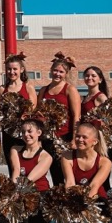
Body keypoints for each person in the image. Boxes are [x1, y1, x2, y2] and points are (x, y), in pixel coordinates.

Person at [61, 122, 112, 223]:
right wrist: (73, 208)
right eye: (78, 136)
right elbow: (69, 183)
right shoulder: (67, 157)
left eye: (84, 137)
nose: (80, 140)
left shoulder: (104, 162)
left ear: (95, 141)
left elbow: (94, 186)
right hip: (75, 199)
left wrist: (85, 210)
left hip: (95, 200)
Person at [37, 52, 81, 185]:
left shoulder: (70, 90)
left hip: (65, 138)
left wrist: (74, 138)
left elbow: (76, 116)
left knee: (67, 173)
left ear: (66, 74)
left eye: (61, 72)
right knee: (54, 173)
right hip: (48, 139)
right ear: (51, 71)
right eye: (55, 70)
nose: (57, 74)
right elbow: (38, 113)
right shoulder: (44, 90)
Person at [9, 116, 52, 223]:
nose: (26, 135)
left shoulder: (46, 156)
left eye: (29, 131)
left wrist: (18, 192)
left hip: (39, 192)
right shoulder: (15, 150)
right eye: (23, 132)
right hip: (20, 191)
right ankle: (18, 220)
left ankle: (46, 222)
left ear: (39, 133)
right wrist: (12, 191)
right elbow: (16, 170)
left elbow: (30, 179)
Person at [0, 53, 37, 175]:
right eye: (9, 69)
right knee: (12, 165)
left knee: (27, 163)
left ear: (21, 70)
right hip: (8, 133)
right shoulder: (2, 89)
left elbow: (33, 109)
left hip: (25, 133)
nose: (12, 72)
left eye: (15, 69)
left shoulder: (28, 87)